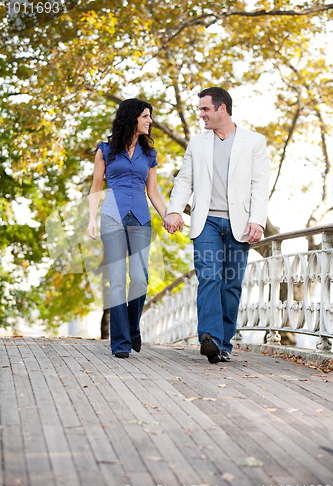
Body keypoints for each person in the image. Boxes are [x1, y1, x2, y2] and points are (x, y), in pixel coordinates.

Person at [163, 87, 270, 364]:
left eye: (205, 109)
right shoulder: (198, 143)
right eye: (200, 110)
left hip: (240, 224)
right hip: (206, 222)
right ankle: (209, 337)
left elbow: (260, 185)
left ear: (222, 109)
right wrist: (174, 211)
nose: (201, 115)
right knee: (209, 277)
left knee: (231, 285)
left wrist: (257, 220)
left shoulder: (254, 142)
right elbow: (184, 180)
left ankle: (224, 344)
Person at [88, 99, 166, 358]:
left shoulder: (149, 154)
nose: (150, 121)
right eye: (146, 116)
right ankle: (120, 342)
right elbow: (96, 186)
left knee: (141, 279)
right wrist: (91, 219)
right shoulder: (106, 150)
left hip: (141, 219)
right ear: (132, 117)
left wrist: (167, 216)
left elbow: (152, 191)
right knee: (118, 280)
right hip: (112, 217)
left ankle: (132, 327)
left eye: (150, 117)